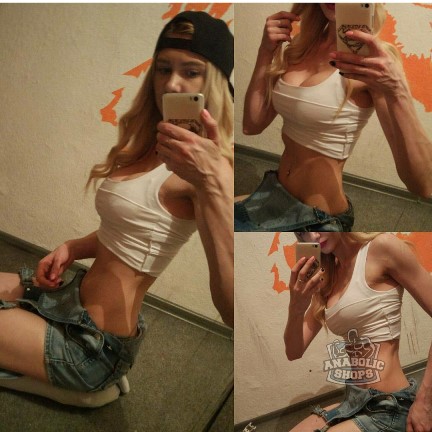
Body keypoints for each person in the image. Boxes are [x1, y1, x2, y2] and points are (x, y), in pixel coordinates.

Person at [0, 10, 233, 397]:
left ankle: (85, 381)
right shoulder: (151, 146)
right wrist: (73, 247)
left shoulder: (209, 173)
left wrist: (214, 183)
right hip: (68, 300)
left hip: (89, 348)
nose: (172, 83)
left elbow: (230, 309)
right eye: (163, 68)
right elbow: (129, 229)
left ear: (215, 84)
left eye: (191, 72)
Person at [234, 3, 432, 232]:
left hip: (317, 218)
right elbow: (252, 125)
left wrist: (398, 90)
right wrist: (265, 51)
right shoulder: (301, 47)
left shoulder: (373, 62)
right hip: (275, 191)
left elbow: (424, 185)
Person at [286, 232, 432, 431]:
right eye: (303, 231)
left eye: (315, 224)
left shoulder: (381, 247)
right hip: (353, 400)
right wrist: (296, 307)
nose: (313, 235)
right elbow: (293, 351)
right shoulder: (327, 277)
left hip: (389, 407)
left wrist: (425, 400)